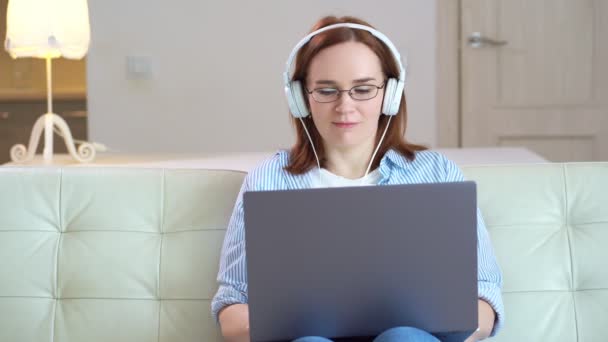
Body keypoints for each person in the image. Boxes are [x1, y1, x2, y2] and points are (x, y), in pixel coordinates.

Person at [211, 15, 504, 342]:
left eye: (363, 89)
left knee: (403, 338)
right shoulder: (268, 180)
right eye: (326, 90)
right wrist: (280, 323)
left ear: (390, 94)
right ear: (300, 98)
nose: (344, 106)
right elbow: (232, 303)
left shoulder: (437, 174)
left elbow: (484, 297)